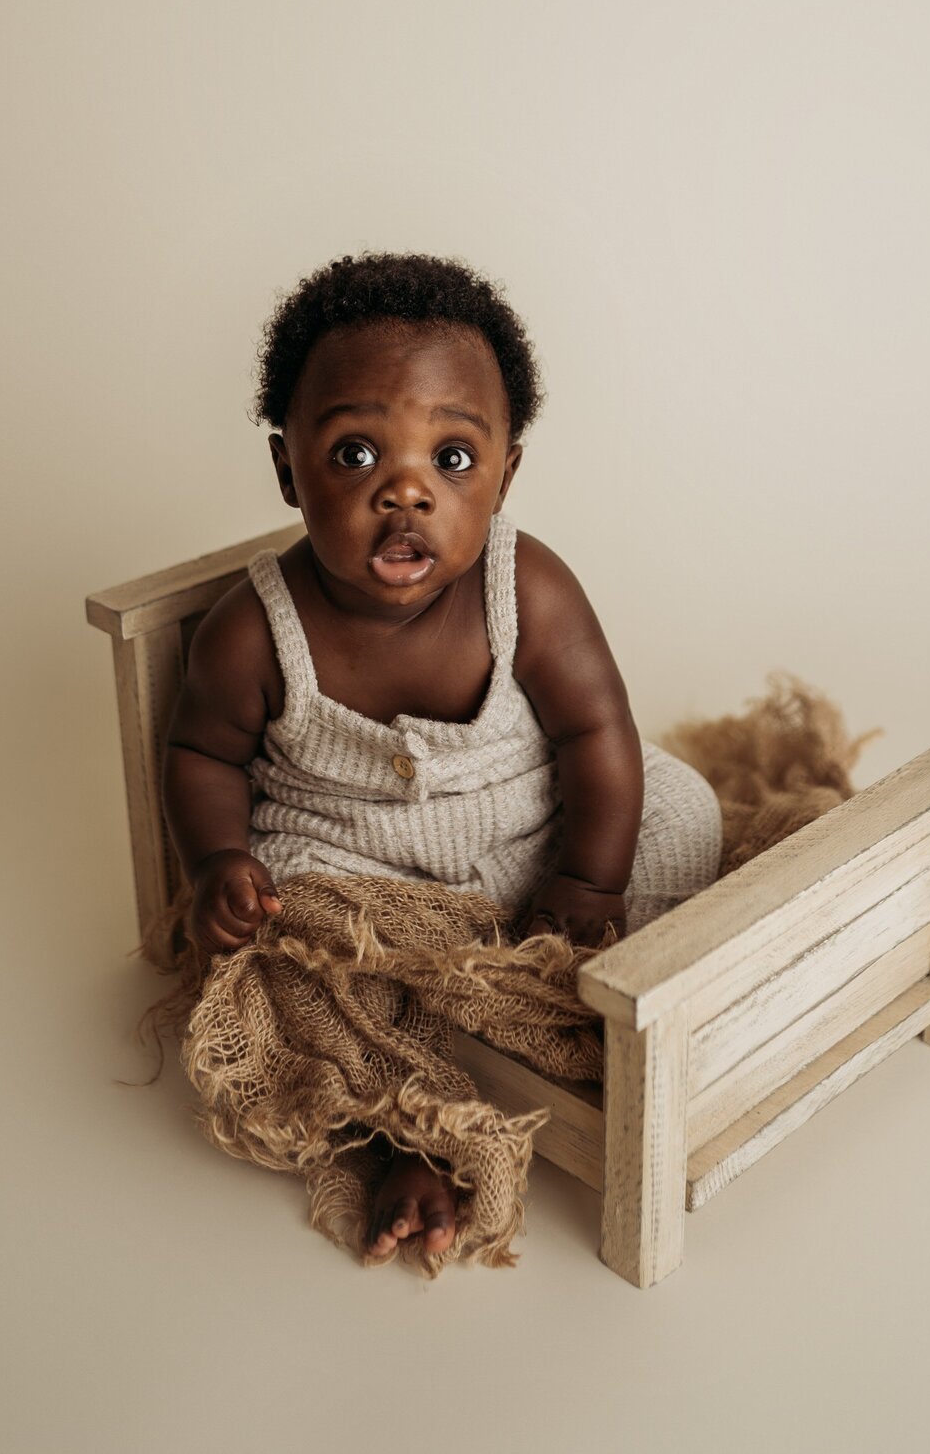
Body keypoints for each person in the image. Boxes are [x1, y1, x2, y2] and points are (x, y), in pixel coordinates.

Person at [161, 250, 722, 1262]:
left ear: (507, 468)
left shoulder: (529, 586)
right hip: (354, 870)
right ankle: (416, 1128)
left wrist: (589, 881)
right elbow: (202, 751)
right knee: (296, 960)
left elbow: (601, 733)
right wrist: (217, 864)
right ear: (287, 467)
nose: (405, 491)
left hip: (528, 836)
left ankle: (617, 992)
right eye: (354, 456)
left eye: (451, 459)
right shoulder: (256, 626)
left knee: (679, 810)